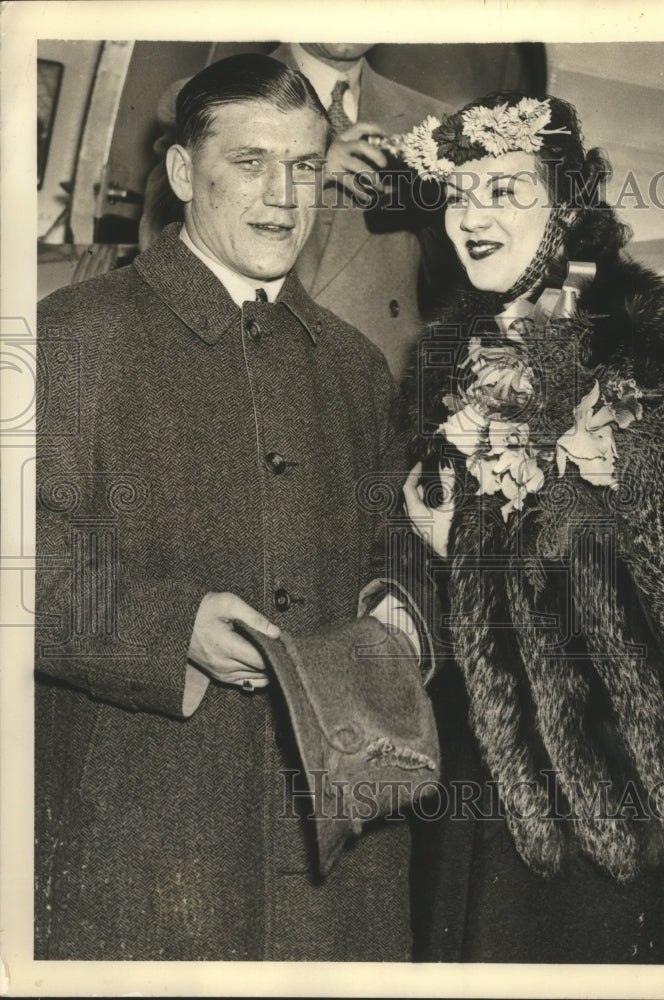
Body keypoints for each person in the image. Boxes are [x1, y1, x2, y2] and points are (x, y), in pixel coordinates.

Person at [34, 53, 438, 963]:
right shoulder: (73, 336)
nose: (283, 196)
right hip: (141, 839)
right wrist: (171, 627)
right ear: (183, 173)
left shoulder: (354, 364)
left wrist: (400, 616)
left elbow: (403, 543)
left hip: (339, 854)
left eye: (302, 166)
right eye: (250, 163)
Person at [398, 91, 664, 962]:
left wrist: (459, 542)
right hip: (465, 766)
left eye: (505, 191)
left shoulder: (633, 333)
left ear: (569, 205)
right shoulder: (440, 353)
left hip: (602, 775)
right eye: (461, 194)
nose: (471, 217)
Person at [139, 43, 453, 382]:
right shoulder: (207, 93)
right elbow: (159, 234)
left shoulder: (434, 121)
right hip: (240, 367)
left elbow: (450, 276)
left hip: (374, 379)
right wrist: (309, 168)